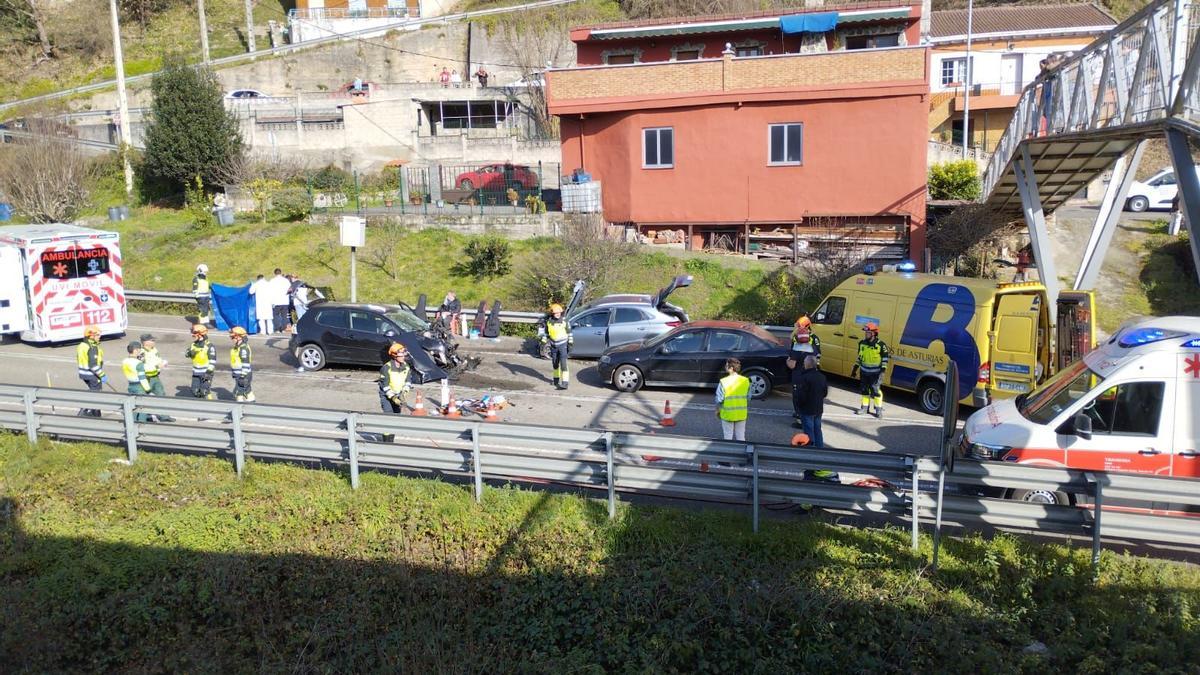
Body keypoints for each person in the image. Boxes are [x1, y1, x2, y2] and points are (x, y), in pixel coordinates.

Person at [852, 322, 890, 418]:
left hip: (876, 373)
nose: (866, 334)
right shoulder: (862, 343)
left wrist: (882, 370)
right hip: (864, 372)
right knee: (865, 390)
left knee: (876, 390)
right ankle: (865, 408)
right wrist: (855, 369)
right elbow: (860, 357)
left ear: (874, 333)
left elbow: (885, 358)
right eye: (866, 333)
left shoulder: (881, 345)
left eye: (868, 333)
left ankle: (878, 409)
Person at [378, 343, 411, 441]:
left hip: (398, 395)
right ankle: (387, 443)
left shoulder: (406, 366)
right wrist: (393, 398)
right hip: (386, 396)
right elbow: (385, 386)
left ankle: (391, 439)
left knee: (396, 418)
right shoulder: (386, 368)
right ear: (394, 355)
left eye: (404, 354)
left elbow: (408, 381)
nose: (403, 356)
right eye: (401, 354)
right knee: (389, 417)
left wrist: (404, 393)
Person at [795, 356, 827, 448]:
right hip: (818, 409)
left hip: (807, 409)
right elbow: (824, 393)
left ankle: (810, 451)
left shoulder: (804, 377)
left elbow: (801, 395)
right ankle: (820, 448)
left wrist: (799, 406)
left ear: (807, 364)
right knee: (817, 430)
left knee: (809, 432)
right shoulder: (822, 377)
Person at [714, 358, 750, 441]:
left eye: (726, 365)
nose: (725, 367)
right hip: (741, 413)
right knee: (741, 437)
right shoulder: (746, 381)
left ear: (731, 368)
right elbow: (748, 397)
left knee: (728, 437)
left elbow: (719, 399)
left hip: (728, 414)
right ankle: (741, 453)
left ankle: (729, 452)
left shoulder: (724, 381)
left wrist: (717, 410)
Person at [539, 302, 573, 390]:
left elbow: (570, 333)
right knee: (555, 364)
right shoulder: (549, 322)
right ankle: (556, 380)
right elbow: (546, 334)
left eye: (559, 313)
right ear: (552, 313)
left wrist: (570, 343)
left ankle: (565, 383)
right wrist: (543, 343)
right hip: (553, 345)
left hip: (563, 345)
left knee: (563, 364)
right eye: (556, 313)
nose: (558, 314)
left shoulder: (565, 321)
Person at [76, 325, 106, 417]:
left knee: (93, 392)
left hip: (84, 374)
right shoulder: (92, 347)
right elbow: (92, 365)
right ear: (91, 336)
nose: (99, 336)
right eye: (97, 335)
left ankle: (95, 413)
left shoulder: (82, 345)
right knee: (96, 394)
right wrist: (102, 375)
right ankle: (88, 412)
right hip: (92, 375)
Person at [122, 341, 153, 422]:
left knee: (133, 406)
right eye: (139, 350)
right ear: (135, 350)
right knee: (142, 407)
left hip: (130, 385)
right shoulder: (138, 363)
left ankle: (133, 422)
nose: (140, 352)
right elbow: (142, 379)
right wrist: (148, 391)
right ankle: (142, 423)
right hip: (139, 387)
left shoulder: (124, 361)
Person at [186, 323, 217, 400]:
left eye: (194, 334)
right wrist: (189, 353)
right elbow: (187, 354)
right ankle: (200, 405)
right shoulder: (193, 344)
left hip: (205, 373)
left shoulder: (209, 346)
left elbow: (213, 361)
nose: (193, 336)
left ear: (200, 334)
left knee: (204, 391)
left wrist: (208, 373)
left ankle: (211, 405)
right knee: (195, 391)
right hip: (196, 372)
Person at [229, 326, 255, 402]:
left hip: (244, 375)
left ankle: (239, 408)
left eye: (233, 337)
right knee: (247, 390)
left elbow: (246, 363)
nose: (232, 339)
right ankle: (252, 403)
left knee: (238, 392)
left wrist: (243, 376)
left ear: (239, 337)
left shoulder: (243, 348)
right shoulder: (237, 347)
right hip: (239, 374)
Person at [268, 268, 291, 334]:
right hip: (285, 301)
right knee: (284, 316)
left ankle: (277, 329)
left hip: (276, 301)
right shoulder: (286, 280)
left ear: (274, 273)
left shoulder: (272, 281)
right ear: (281, 273)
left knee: (276, 315)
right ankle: (283, 329)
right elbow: (290, 289)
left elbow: (269, 291)